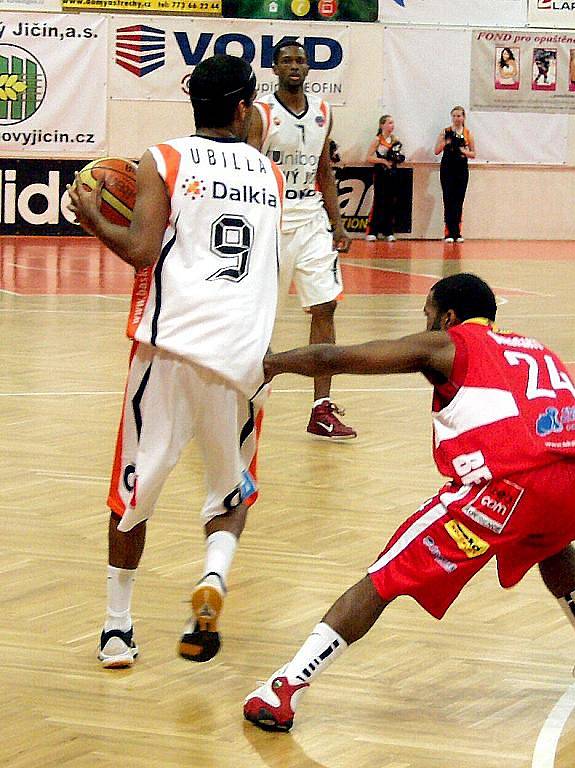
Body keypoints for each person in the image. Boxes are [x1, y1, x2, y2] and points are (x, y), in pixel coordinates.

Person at [243, 273, 575, 732]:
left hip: (508, 488)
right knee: (548, 540)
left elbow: (338, 357)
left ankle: (286, 687)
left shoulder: (448, 345)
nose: (426, 323)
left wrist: (272, 363)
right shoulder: (536, 353)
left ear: (447, 316)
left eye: (428, 314)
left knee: (385, 574)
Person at [67, 55, 283, 669]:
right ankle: (213, 577)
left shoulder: (161, 158)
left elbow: (140, 251)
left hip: (168, 351)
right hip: (242, 359)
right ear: (242, 109)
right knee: (231, 488)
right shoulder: (268, 174)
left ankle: (116, 628)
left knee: (133, 490)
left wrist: (92, 218)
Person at [247, 40, 356, 441]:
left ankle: (321, 409)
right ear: (274, 69)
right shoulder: (261, 114)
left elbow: (324, 169)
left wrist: (338, 223)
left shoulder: (323, 112)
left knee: (325, 305)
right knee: (257, 314)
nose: (295, 65)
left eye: (301, 60)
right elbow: (246, 169)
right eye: (287, 60)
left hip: (311, 219)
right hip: (270, 221)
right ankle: (239, 395)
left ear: (309, 68)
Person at [434, 106, 475, 243]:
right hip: (447, 168)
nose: (457, 119)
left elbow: (473, 153)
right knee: (448, 199)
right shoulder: (445, 132)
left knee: (459, 200)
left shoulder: (468, 133)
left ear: (463, 118)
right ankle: (448, 232)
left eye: (459, 116)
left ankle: (457, 232)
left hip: (461, 169)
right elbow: (436, 151)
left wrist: (462, 150)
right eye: (454, 116)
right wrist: (447, 142)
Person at [365, 114, 404, 242]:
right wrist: (383, 161)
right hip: (380, 172)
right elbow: (369, 157)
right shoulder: (377, 140)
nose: (391, 126)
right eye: (389, 123)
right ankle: (373, 231)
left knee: (390, 201)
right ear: (382, 125)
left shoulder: (395, 140)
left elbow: (399, 155)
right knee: (379, 200)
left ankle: (388, 231)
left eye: (392, 123)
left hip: (392, 172)